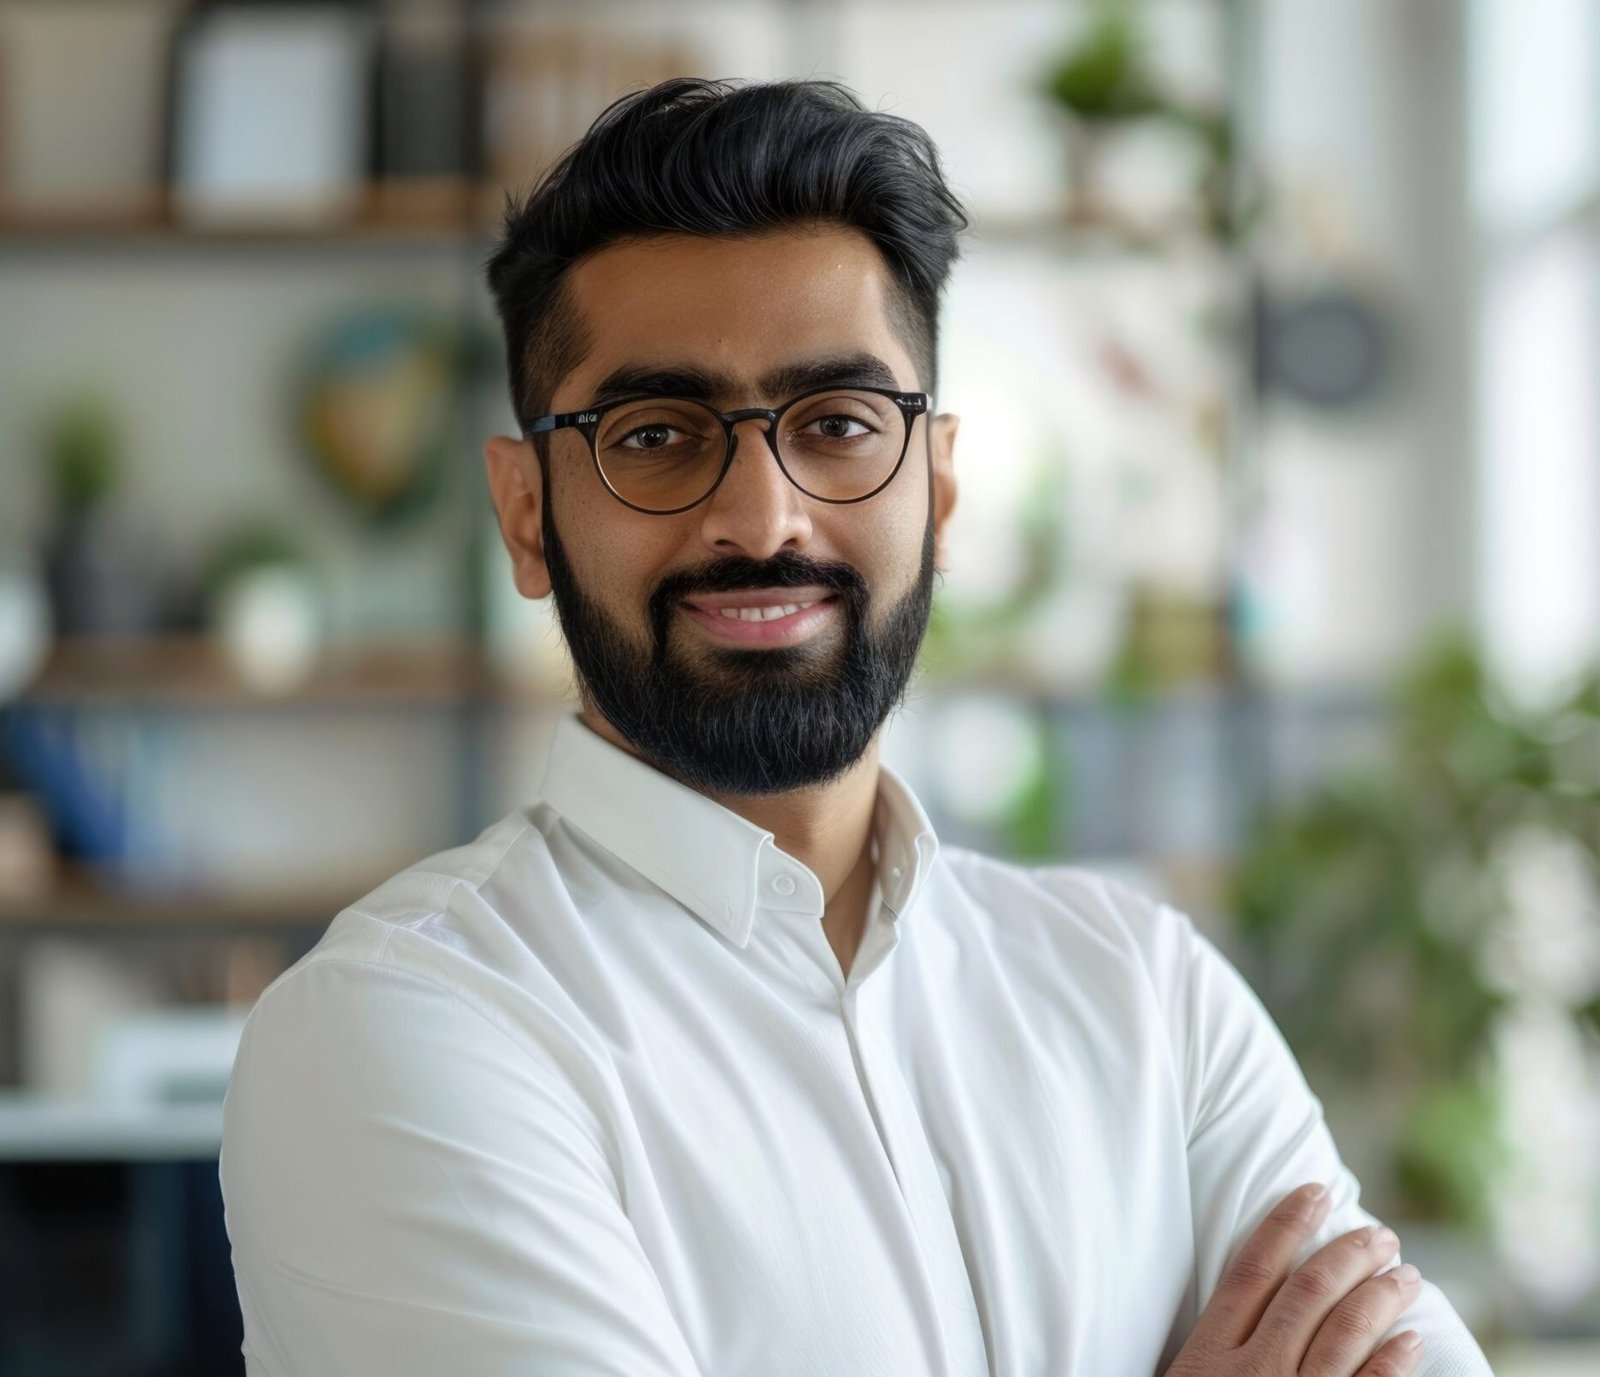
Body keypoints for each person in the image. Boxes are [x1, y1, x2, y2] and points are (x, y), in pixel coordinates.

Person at [219, 77, 1496, 1377]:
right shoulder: (401, 1025)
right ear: (528, 513)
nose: (763, 516)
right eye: (655, 434)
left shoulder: (1148, 997)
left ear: (939, 486)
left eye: (838, 424)